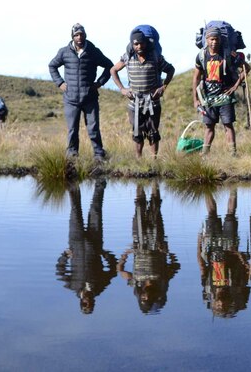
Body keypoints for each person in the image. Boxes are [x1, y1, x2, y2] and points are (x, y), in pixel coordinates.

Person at [48, 23, 114, 161]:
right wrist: (60, 83)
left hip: (90, 98)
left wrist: (99, 83)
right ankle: (72, 156)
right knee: (72, 130)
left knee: (93, 128)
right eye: (76, 35)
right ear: (72, 36)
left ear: (85, 35)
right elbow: (52, 65)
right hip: (70, 99)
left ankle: (98, 155)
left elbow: (109, 66)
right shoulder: (64, 52)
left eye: (81, 34)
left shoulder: (93, 51)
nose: (79, 37)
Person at [110, 28, 175, 158]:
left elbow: (170, 70)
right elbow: (113, 70)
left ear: (146, 43)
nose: (139, 46)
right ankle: (139, 159)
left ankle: (153, 159)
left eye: (141, 43)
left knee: (153, 131)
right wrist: (122, 89)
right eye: (136, 44)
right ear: (132, 45)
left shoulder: (155, 57)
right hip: (134, 101)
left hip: (153, 100)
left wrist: (163, 87)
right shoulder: (127, 57)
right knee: (137, 132)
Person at [55, 180, 117, 314]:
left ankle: (73, 180)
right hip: (95, 241)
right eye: (89, 304)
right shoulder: (100, 287)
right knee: (96, 209)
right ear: (93, 302)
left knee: (75, 209)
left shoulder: (72, 286)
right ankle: (100, 180)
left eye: (85, 304)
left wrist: (65, 256)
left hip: (75, 241)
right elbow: (113, 270)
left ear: (81, 302)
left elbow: (59, 271)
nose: (87, 301)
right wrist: (104, 254)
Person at [117, 183, 180, 314]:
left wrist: (126, 254)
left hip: (138, 241)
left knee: (139, 207)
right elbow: (176, 265)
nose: (146, 297)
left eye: (143, 299)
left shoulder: (135, 282)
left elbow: (119, 270)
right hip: (157, 240)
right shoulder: (163, 280)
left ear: (139, 298)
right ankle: (154, 182)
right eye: (148, 299)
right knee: (155, 207)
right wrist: (167, 251)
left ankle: (140, 181)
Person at [191, 26, 248, 155]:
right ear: (206, 39)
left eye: (216, 39)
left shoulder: (228, 54)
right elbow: (196, 77)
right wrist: (195, 99)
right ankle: (205, 154)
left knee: (228, 125)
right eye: (211, 39)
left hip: (225, 96)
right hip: (208, 97)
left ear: (220, 40)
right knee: (209, 126)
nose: (214, 42)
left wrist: (235, 86)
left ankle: (232, 154)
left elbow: (246, 68)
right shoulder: (201, 56)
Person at [197, 189, 251, 318]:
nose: (220, 305)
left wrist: (199, 243)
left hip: (212, 248)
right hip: (230, 248)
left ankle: (207, 186)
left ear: (214, 304)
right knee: (230, 215)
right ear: (229, 304)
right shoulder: (236, 289)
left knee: (211, 214)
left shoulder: (209, 290)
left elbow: (201, 265)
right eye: (223, 307)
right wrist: (238, 253)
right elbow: (248, 268)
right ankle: (233, 188)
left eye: (217, 307)